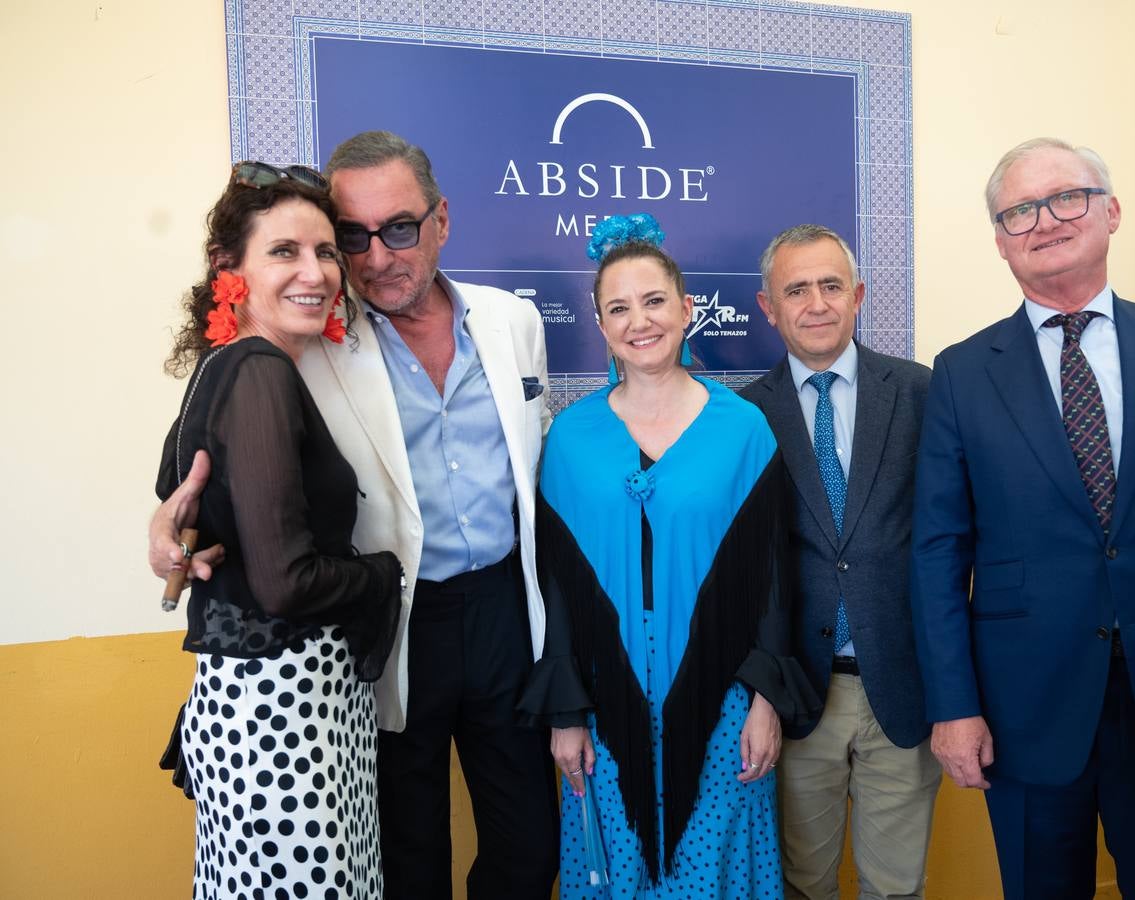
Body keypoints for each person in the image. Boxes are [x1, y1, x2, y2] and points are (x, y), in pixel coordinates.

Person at [151, 131, 559, 898]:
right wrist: (170, 522)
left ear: (442, 221)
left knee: (527, 845)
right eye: (353, 238)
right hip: (390, 625)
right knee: (407, 856)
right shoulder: (315, 340)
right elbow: (211, 438)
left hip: (506, 612)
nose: (375, 259)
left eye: (400, 228)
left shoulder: (512, 322)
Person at [910, 137, 1135, 899]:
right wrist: (952, 708)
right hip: (1024, 712)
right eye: (1017, 211)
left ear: (1110, 211)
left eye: (1065, 197)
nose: (1043, 220)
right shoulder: (960, 373)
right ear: (998, 242)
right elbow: (937, 555)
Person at [518, 214, 818, 898]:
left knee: (710, 872)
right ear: (599, 325)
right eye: (617, 308)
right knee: (616, 868)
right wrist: (565, 716)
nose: (638, 321)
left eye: (653, 301)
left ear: (686, 310)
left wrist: (766, 701)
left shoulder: (744, 428)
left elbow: (771, 578)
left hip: (722, 709)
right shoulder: (570, 437)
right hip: (602, 702)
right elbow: (557, 588)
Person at [157, 162, 404, 898]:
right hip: (285, 722)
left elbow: (179, 497)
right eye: (284, 251)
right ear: (228, 270)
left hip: (267, 714)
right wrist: (384, 572)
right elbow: (285, 582)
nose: (316, 272)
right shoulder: (260, 371)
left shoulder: (222, 367)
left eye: (326, 251)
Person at [742, 224, 941, 899]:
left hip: (903, 686)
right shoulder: (741, 417)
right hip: (797, 695)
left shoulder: (920, 393)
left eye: (831, 286)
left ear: (857, 295)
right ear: (768, 307)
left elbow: (954, 538)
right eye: (795, 289)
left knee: (895, 888)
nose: (816, 303)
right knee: (801, 886)